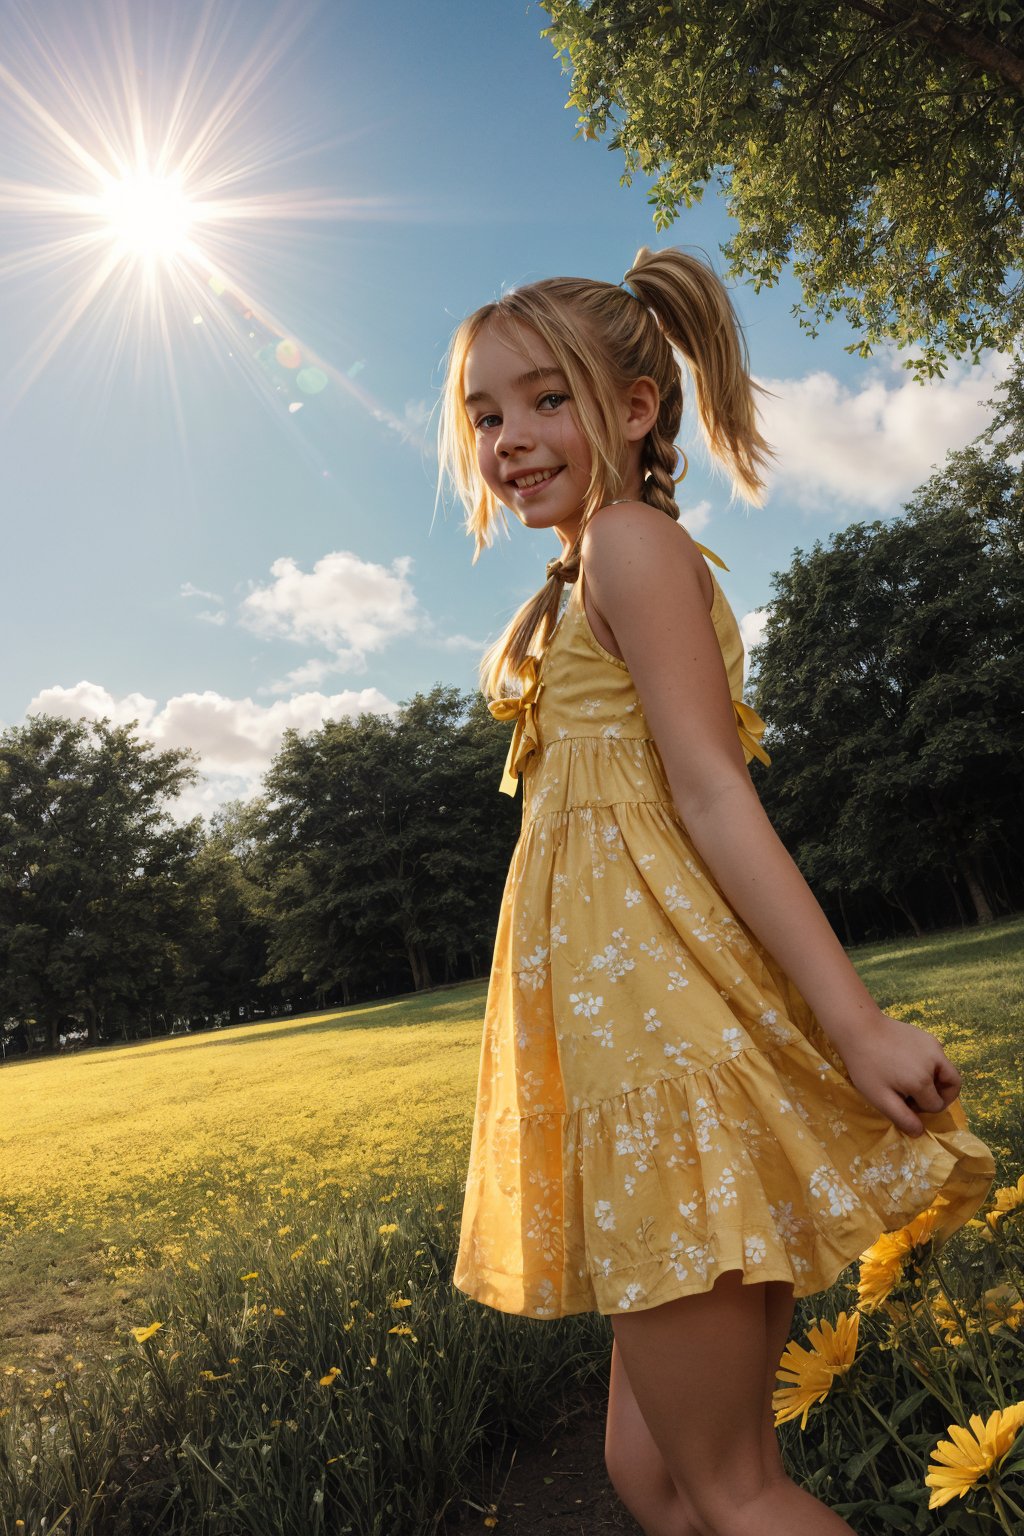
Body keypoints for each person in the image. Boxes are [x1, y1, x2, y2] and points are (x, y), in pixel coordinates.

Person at [437, 246, 995, 1536]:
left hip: (667, 1068)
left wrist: (855, 1024)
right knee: (661, 1483)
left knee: (736, 1493)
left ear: (635, 407)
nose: (510, 439)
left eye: (545, 400)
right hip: (637, 1064)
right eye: (484, 416)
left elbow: (713, 792)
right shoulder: (585, 571)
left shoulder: (630, 547)